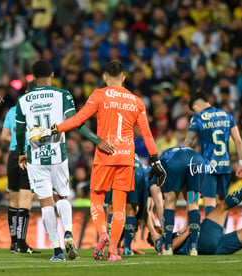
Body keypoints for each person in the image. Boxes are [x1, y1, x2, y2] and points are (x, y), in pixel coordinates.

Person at [51, 61, 166, 261]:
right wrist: (155, 160)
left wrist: (54, 129)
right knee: (119, 205)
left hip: (105, 156)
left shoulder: (99, 95)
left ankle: (102, 232)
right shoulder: (136, 101)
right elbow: (147, 134)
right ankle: (113, 252)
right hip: (126, 158)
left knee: (97, 198)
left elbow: (78, 120)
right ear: (124, 78)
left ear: (104, 77)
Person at [15, 60, 113, 261]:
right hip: (57, 154)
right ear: (52, 73)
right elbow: (76, 122)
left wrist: (20, 152)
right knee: (62, 197)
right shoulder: (63, 95)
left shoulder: (23, 99)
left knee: (45, 203)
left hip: (35, 156)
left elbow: (19, 130)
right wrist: (97, 140)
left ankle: (57, 250)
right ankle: (68, 231)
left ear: (33, 77)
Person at [147, 165, 242, 256]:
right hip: (201, 243)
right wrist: (189, 230)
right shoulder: (160, 243)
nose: (161, 227)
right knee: (223, 206)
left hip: (215, 247)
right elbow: (169, 247)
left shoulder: (171, 234)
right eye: (158, 229)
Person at [185, 91, 242, 217]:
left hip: (208, 166)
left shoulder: (198, 118)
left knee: (209, 201)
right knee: (223, 203)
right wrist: (241, 164)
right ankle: (221, 232)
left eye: (194, 109)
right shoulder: (227, 115)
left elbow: (188, 142)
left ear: (197, 104)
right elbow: (239, 141)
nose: (195, 112)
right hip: (225, 165)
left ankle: (210, 234)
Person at [2, 81, 37, 254]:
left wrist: (15, 142)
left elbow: (4, 135)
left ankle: (14, 242)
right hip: (27, 154)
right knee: (25, 201)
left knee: (13, 201)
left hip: (12, 154)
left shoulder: (11, 110)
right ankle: (21, 244)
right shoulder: (35, 110)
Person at [157, 146, 203, 256]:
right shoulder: (189, 152)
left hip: (174, 163)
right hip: (197, 160)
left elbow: (160, 192)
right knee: (193, 203)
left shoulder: (163, 158)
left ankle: (168, 247)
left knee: (170, 201)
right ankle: (193, 248)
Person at [104, 157, 149, 255]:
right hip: (136, 171)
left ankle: (113, 247)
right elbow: (145, 195)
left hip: (116, 168)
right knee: (130, 209)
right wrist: (140, 216)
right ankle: (127, 248)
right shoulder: (142, 165)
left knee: (112, 208)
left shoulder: (115, 153)